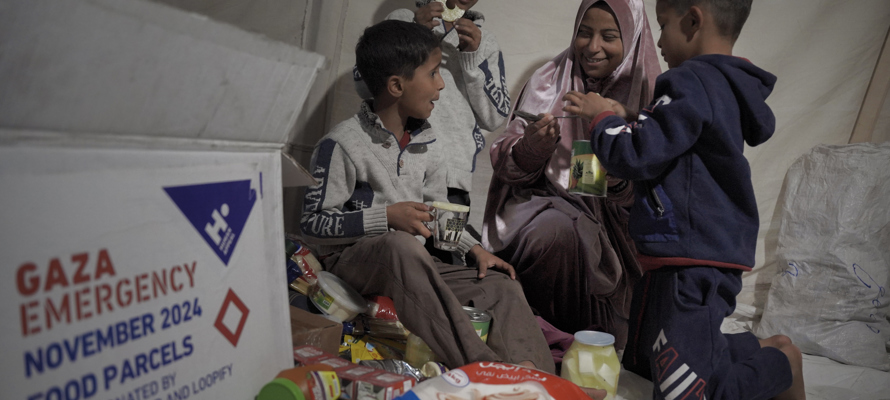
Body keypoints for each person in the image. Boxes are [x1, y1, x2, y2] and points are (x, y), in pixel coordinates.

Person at [562, 0, 805, 399]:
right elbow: (675, 137)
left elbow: (638, 154)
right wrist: (630, 115)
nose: (658, 40)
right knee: (647, 361)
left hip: (691, 261)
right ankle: (762, 348)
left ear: (693, 20)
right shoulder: (720, 85)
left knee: (685, 390)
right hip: (683, 255)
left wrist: (601, 119)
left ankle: (782, 366)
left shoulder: (690, 80)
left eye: (663, 26)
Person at [300, 20, 554, 375]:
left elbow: (436, 214)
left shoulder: (428, 141)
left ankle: (542, 383)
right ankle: (491, 372)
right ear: (396, 85)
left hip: (410, 262)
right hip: (353, 263)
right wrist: (386, 217)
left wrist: (473, 249)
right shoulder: (342, 144)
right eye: (434, 73)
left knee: (500, 286)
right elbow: (312, 222)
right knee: (401, 246)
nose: (441, 84)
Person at [482, 0, 661, 352]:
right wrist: (531, 148)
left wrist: (619, 181)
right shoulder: (551, 82)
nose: (592, 47)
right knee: (558, 231)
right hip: (550, 215)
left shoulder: (651, 94)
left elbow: (663, 194)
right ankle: (538, 333)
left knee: (628, 337)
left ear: (633, 37)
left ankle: (565, 336)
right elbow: (506, 165)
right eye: (584, 32)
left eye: (609, 36)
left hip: (623, 243)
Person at [358, 0, 510, 210]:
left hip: (452, 176)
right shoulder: (403, 20)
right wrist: (414, 35)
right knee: (392, 240)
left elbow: (494, 118)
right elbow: (363, 85)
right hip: (392, 165)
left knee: (448, 242)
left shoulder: (485, 41)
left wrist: (473, 61)